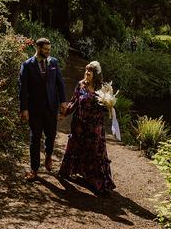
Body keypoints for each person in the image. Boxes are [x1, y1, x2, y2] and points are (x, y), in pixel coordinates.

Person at [58, 61, 116, 194]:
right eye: (86, 70)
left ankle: (99, 182)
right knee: (76, 146)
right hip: (79, 123)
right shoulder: (81, 85)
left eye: (90, 71)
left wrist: (109, 105)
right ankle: (68, 171)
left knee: (95, 152)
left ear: (96, 74)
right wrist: (64, 113)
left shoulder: (103, 88)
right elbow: (74, 101)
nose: (87, 73)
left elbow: (108, 108)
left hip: (95, 126)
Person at [18, 37, 67, 181]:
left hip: (51, 107)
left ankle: (48, 155)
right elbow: (22, 89)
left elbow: (60, 83)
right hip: (35, 109)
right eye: (45, 49)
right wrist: (24, 109)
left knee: (51, 135)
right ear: (38, 48)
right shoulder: (27, 65)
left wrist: (63, 101)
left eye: (49, 49)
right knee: (35, 138)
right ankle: (34, 169)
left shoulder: (54, 62)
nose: (48, 52)